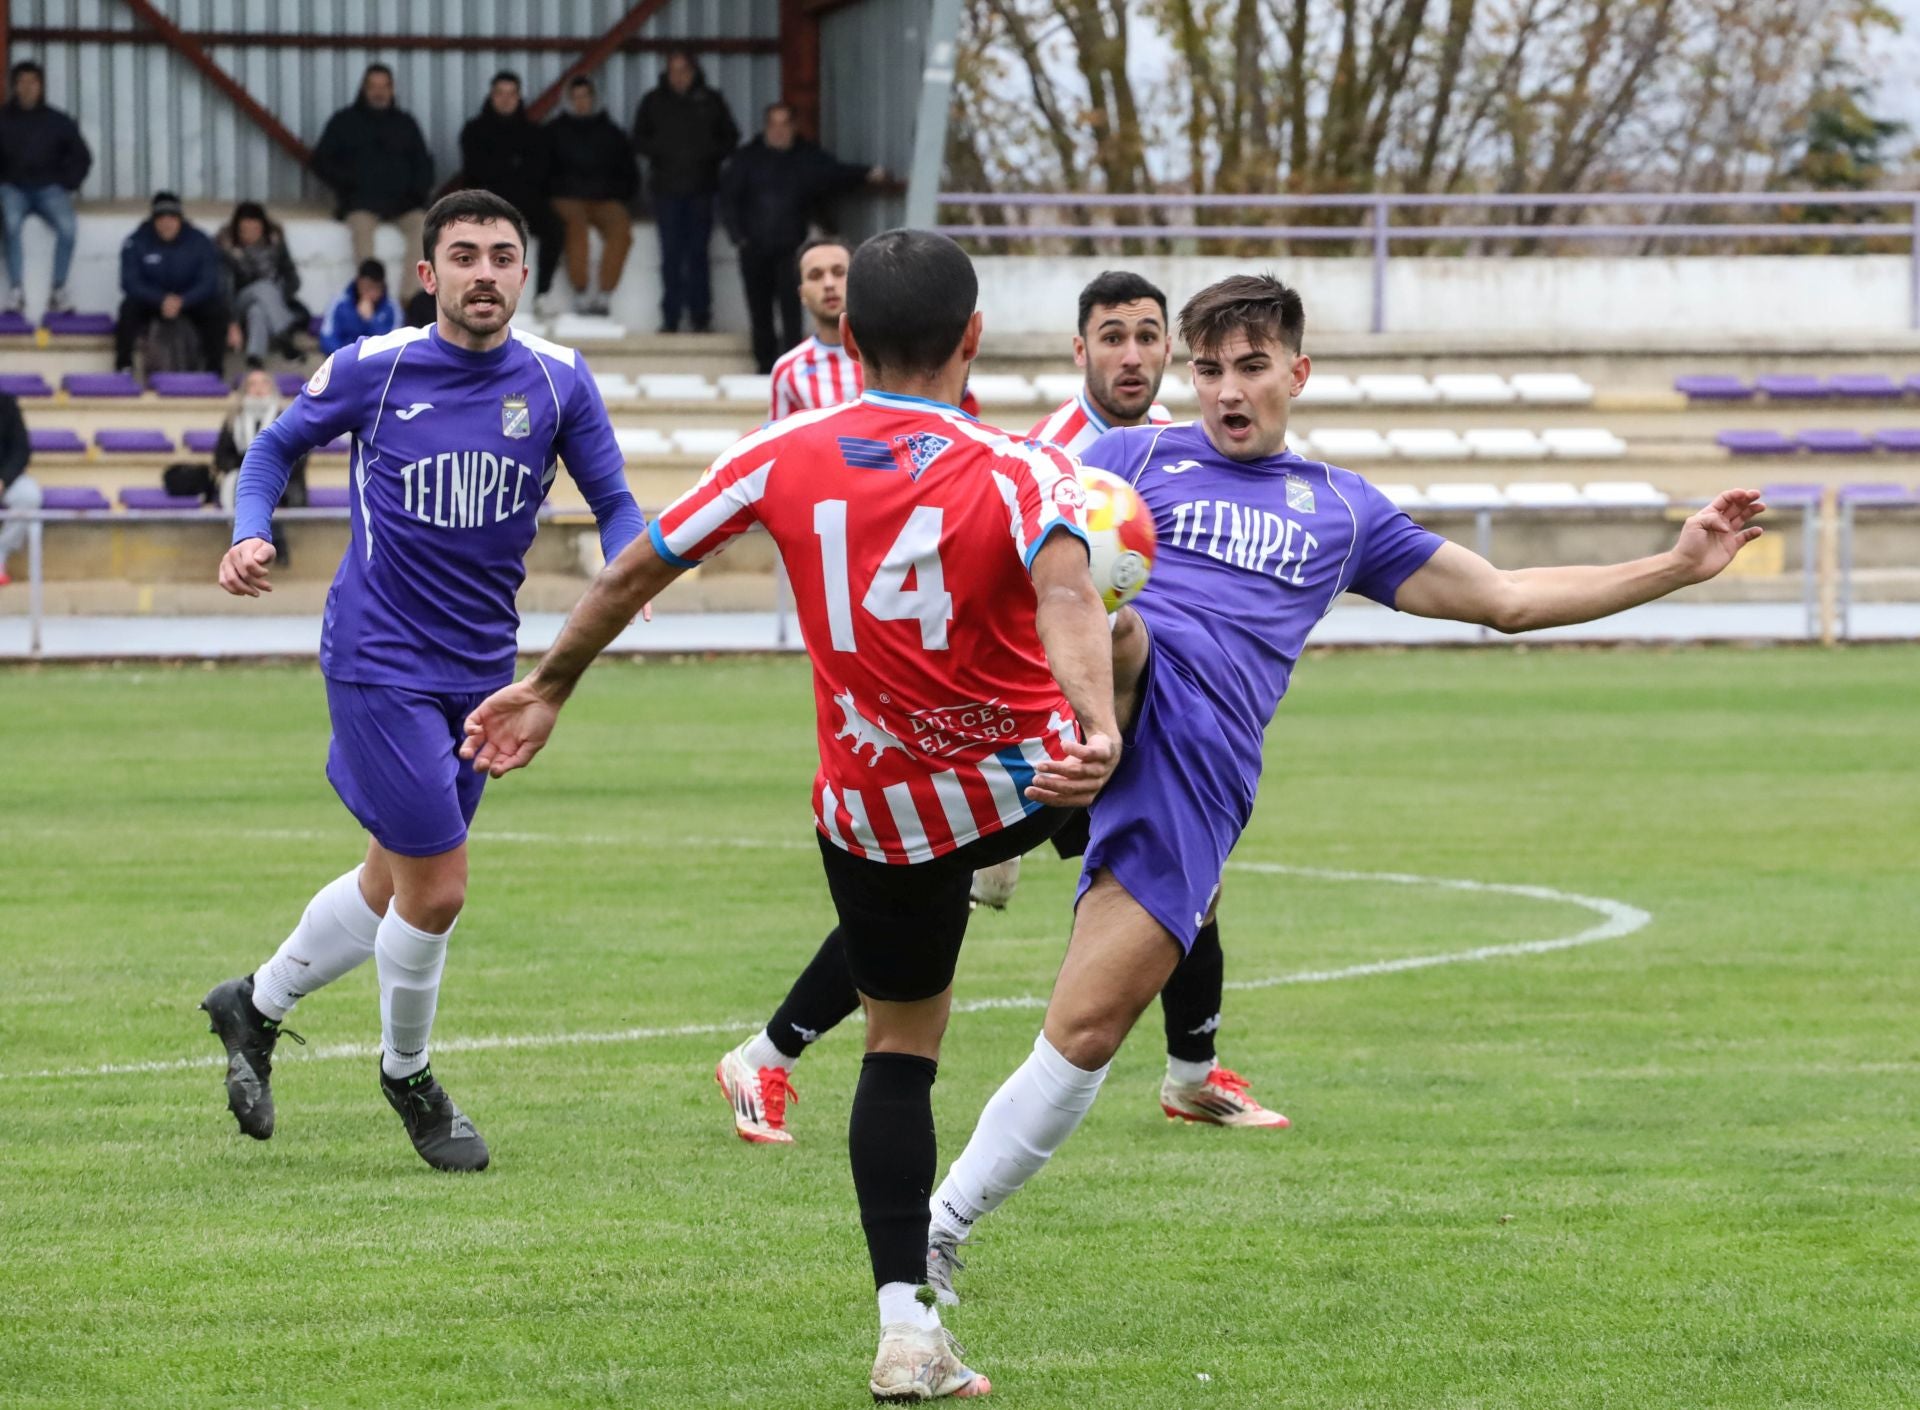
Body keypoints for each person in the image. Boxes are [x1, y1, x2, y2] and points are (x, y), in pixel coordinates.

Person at [917, 273, 1770, 1311]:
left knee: (1087, 1031)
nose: (1228, 390)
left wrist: (1675, 566)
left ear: (1298, 373)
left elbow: (1504, 599)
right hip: (1121, 688)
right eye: (1209, 369)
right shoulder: (1132, 460)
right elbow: (1029, 563)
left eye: (1251, 367)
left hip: (1200, 768)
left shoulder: (1341, 509)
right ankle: (1055, 761)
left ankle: (939, 1227)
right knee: (1124, 626)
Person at [459, 230, 1121, 1400]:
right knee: (1144, 643)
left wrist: (548, 684)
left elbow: (633, 570)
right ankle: (1102, 867)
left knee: (900, 1052)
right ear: (973, 338)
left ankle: (907, 1334)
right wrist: (1098, 722)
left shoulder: (779, 453)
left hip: (873, 810)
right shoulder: (1026, 469)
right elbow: (1071, 593)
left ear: (848, 335)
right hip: (1015, 778)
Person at [715, 268, 1285, 1143]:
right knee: (938, 902)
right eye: (1112, 338)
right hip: (1025, 737)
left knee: (1181, 880)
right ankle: (765, 1056)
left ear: (1170, 348)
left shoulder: (1171, 444)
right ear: (1080, 349)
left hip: (1102, 724)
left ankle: (1192, 1075)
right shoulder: (1053, 454)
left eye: (1146, 336)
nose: (1132, 356)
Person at [200, 190, 645, 1174]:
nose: (484, 272)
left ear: (524, 273)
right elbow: (273, 446)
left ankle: (254, 1006)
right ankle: (409, 1077)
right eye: (465, 255)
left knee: (389, 883)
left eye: (502, 255)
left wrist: (630, 568)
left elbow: (614, 500)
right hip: (378, 657)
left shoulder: (561, 380)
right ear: (428, 274)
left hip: (484, 672)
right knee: (437, 889)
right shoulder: (377, 366)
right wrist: (250, 529)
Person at [720, 102, 888, 373]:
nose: (778, 131)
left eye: (784, 124)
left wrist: (868, 173)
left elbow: (836, 174)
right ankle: (764, 366)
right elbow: (728, 200)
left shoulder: (806, 157)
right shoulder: (747, 159)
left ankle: (792, 365)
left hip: (791, 250)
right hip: (754, 248)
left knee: (793, 309)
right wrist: (738, 238)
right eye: (773, 124)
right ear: (765, 127)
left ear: (793, 127)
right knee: (759, 310)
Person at [631, 48, 737, 334]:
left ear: (694, 72)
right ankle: (671, 317)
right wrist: (662, 151)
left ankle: (701, 317)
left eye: (684, 71)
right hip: (666, 191)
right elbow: (638, 138)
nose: (679, 77)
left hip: (702, 189)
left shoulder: (711, 100)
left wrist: (706, 153)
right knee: (671, 256)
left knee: (698, 255)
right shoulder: (654, 101)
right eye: (673, 71)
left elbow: (730, 138)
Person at [311, 63, 435, 303]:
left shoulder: (406, 123)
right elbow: (321, 160)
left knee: (425, 228)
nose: (379, 92)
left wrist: (417, 193)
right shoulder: (344, 121)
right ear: (364, 89)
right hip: (361, 202)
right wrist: (349, 185)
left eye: (384, 86)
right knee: (361, 233)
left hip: (403, 204)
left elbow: (423, 163)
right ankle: (372, 299)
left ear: (392, 89)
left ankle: (410, 301)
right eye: (373, 86)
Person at [458, 72, 563, 315]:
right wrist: (511, 168)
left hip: (526, 201)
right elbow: (476, 172)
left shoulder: (534, 133)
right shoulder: (474, 131)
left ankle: (542, 294)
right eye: (500, 93)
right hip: (487, 202)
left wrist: (508, 170)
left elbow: (540, 172)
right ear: (492, 96)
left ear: (519, 97)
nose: (505, 99)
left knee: (554, 228)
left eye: (511, 94)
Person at [0, 60, 91, 316]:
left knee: (68, 228)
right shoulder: (2, 119)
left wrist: (68, 183)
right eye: (22, 82)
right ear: (14, 86)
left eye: (33, 82)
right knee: (10, 226)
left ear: (41, 87)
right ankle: (16, 291)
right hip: (12, 188)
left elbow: (82, 156)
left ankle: (58, 290)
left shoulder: (58, 121)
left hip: (50, 188)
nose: (27, 87)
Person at [548, 75, 639, 315]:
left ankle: (604, 295)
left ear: (594, 99)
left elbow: (628, 172)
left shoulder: (611, 132)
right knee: (576, 228)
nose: (581, 102)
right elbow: (543, 171)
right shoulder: (554, 132)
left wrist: (616, 191)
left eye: (585, 97)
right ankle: (580, 292)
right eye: (575, 98)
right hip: (567, 196)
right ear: (568, 101)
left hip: (604, 197)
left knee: (621, 229)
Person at [115, 192, 228, 374]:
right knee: (128, 309)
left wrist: (183, 300)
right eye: (161, 218)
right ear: (153, 220)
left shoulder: (200, 241)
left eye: (172, 218)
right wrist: (160, 300)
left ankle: (214, 371)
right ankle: (124, 367)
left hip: (189, 301)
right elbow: (129, 282)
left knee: (215, 311)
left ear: (180, 219)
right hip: (152, 302)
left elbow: (209, 281)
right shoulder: (136, 241)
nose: (166, 223)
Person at [213, 367, 306, 567]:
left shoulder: (286, 417)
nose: (258, 389)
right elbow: (221, 456)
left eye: (264, 383)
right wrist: (248, 471)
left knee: (270, 494)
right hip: (240, 478)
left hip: (283, 479)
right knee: (244, 489)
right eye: (252, 384)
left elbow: (300, 455)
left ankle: (271, 548)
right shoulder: (233, 419)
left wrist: (271, 472)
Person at [768, 235, 857, 419]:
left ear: (857, 281)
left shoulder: (890, 357)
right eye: (815, 276)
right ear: (802, 294)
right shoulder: (788, 370)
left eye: (839, 272)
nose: (829, 284)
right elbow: (781, 436)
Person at [218, 201, 303, 366]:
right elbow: (224, 289)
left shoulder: (275, 244)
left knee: (257, 310)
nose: (250, 235)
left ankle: (254, 356)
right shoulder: (226, 249)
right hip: (238, 303)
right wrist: (231, 322)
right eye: (244, 230)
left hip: (270, 303)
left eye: (255, 229)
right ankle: (284, 334)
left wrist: (278, 296)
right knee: (264, 287)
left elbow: (293, 279)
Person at [319, 259, 401, 354]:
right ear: (358, 282)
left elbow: (394, 344)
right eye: (366, 287)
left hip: (377, 359)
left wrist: (371, 320)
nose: (370, 293)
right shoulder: (340, 303)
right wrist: (346, 356)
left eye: (374, 288)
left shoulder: (392, 308)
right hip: (344, 357)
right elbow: (327, 337)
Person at [0, 388, 37, 587]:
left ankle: (0, 554)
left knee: (29, 496)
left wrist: (4, 479)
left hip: (6, 478)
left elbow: (21, 449)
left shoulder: (6, 403)